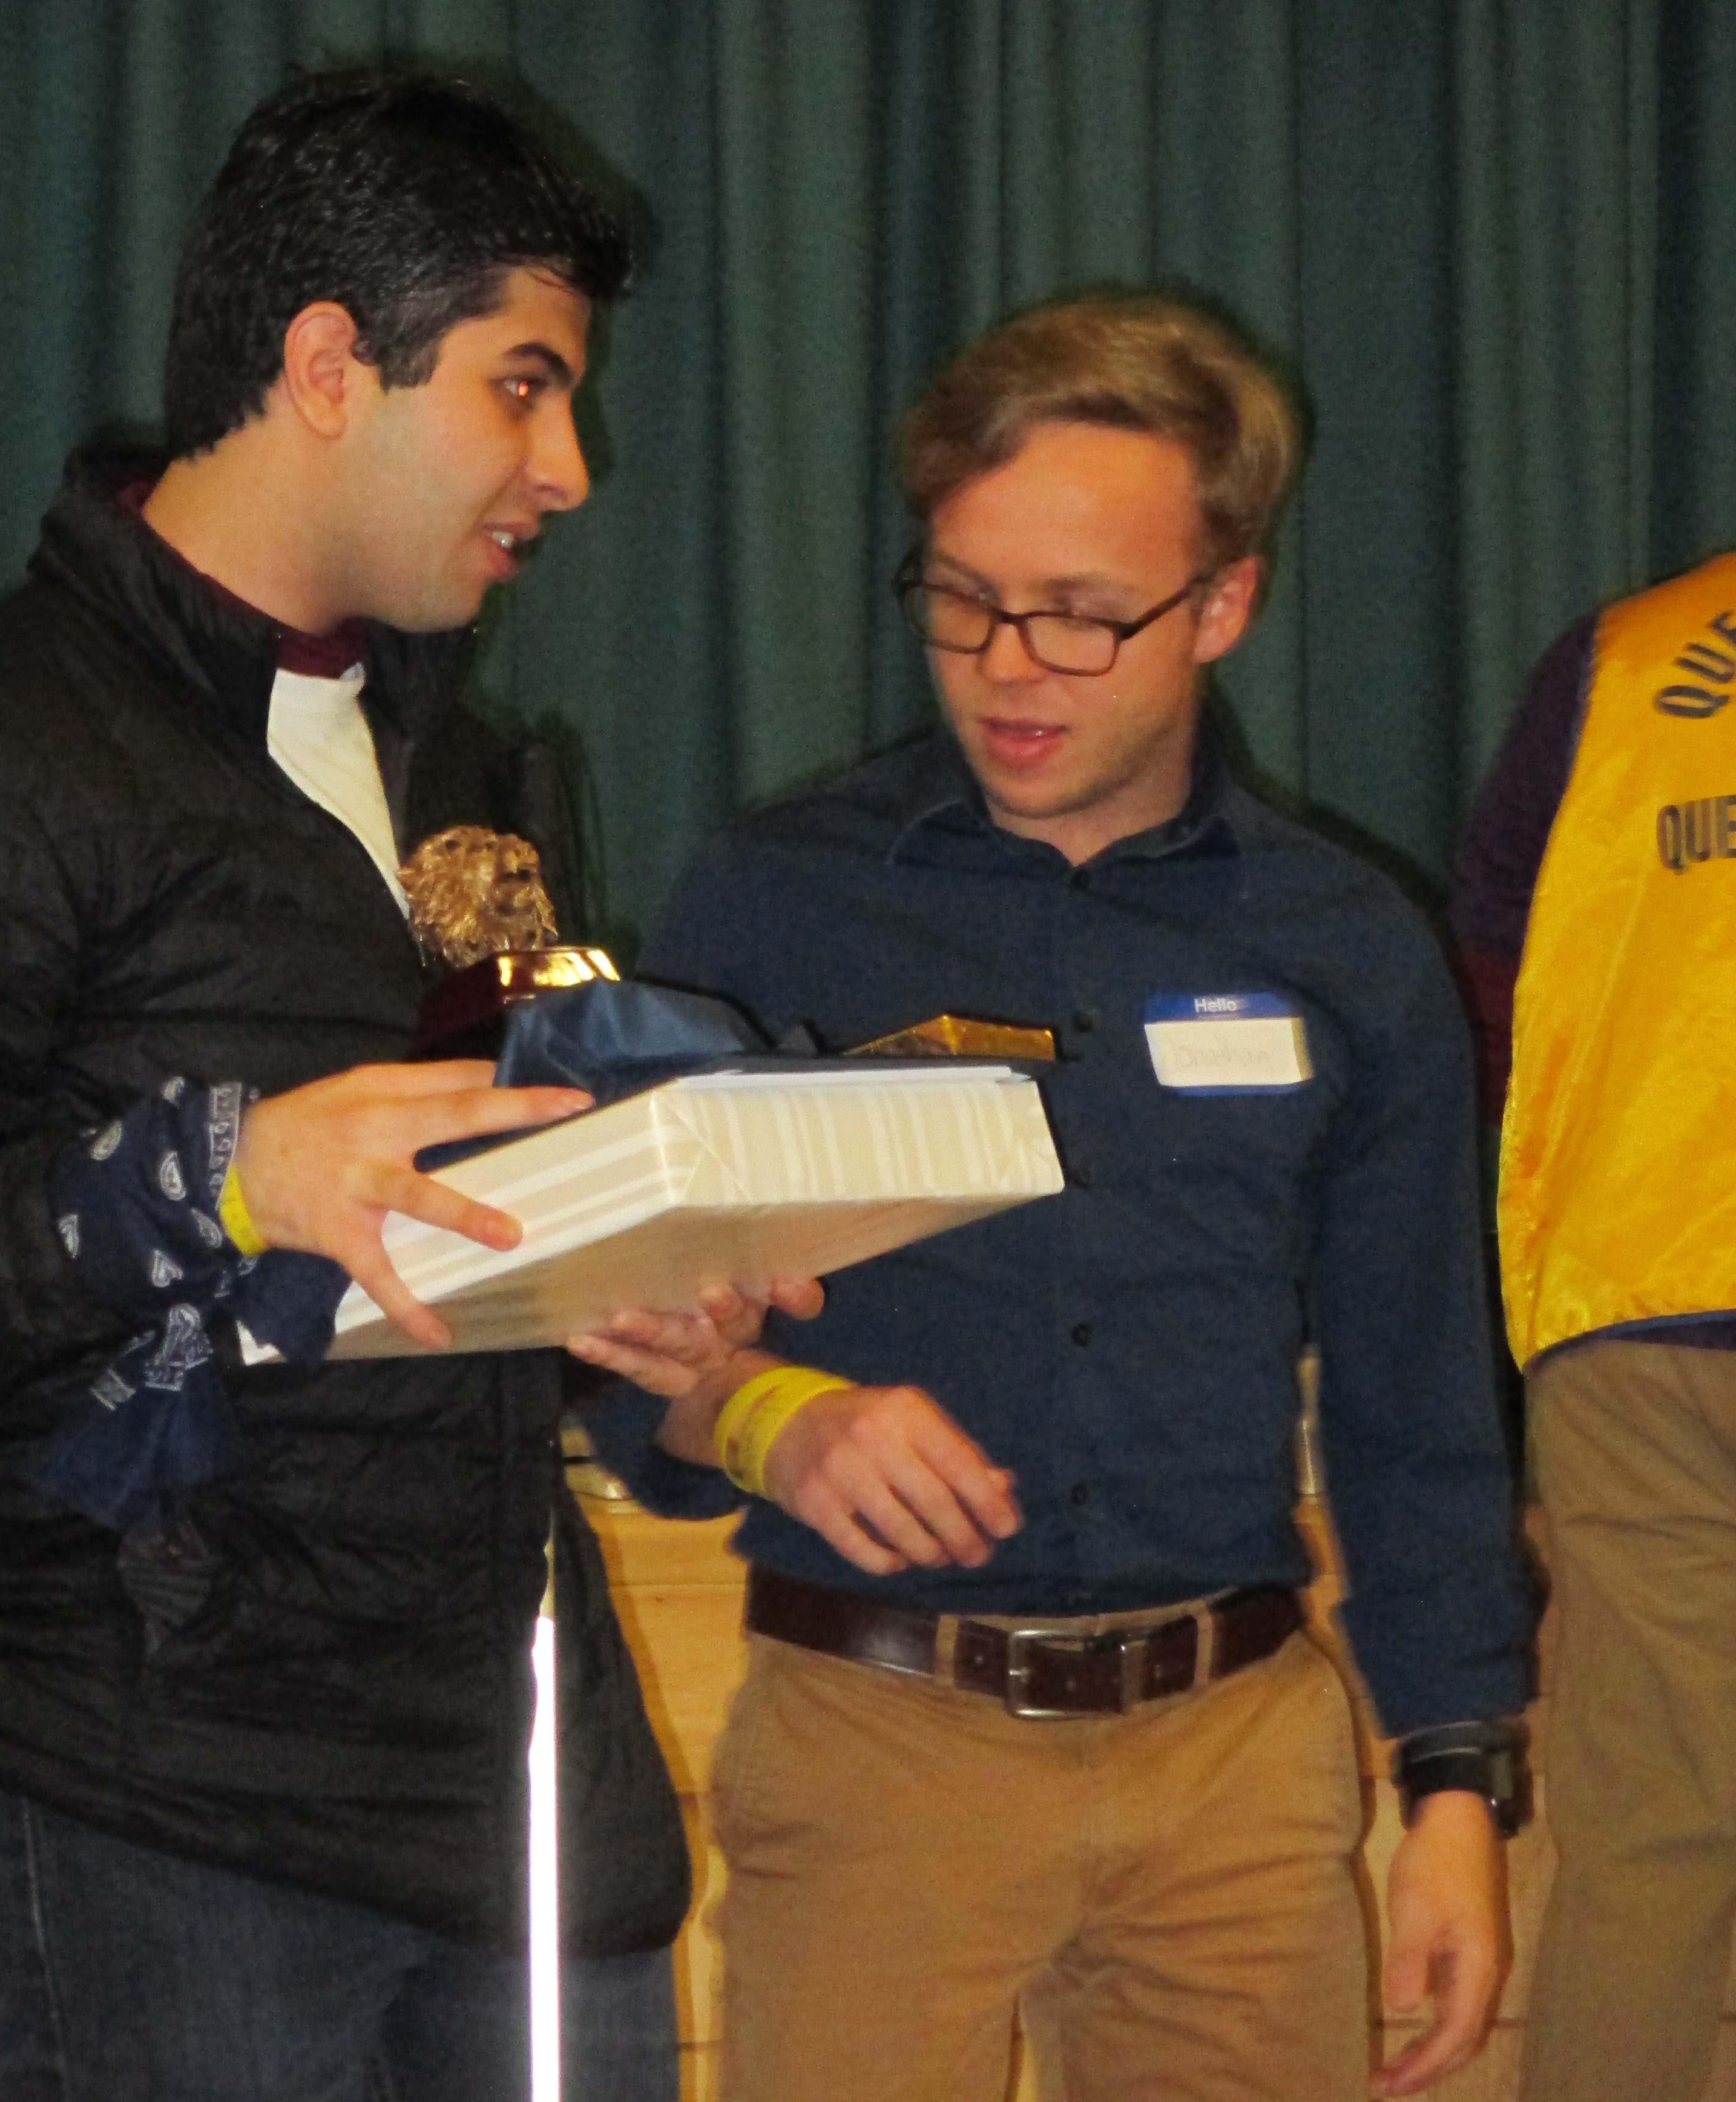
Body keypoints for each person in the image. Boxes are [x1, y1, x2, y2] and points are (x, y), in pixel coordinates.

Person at [0, 67, 712, 2102]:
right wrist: (203, 1172)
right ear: (329, 365)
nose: (568, 464)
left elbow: (407, 1268)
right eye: (520, 386)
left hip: (515, 1794)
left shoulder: (470, 774)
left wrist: (614, 1306)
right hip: (157, 1824)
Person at [579, 291, 1533, 2102]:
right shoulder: (775, 906)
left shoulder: (1350, 945)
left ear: (1225, 605)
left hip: (1239, 1772)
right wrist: (773, 1413)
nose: (1012, 663)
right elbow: (623, 1360)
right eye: (963, 598)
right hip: (879, 1747)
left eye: (1087, 617)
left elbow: (1422, 1411)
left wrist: (1459, 1786)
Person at [1452, 555, 1736, 2102]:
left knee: (1649, 1839)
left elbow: (1495, 967)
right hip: (1634, 1301)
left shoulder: (1629, 655)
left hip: (1638, 1299)